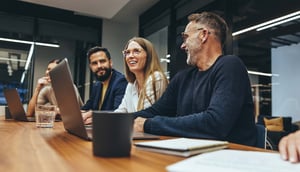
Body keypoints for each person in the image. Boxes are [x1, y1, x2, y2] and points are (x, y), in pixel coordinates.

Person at [133, 11, 257, 146]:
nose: (182, 45)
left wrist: (149, 125)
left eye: (186, 37)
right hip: (194, 153)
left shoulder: (230, 66)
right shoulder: (182, 78)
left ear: (203, 35)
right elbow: (154, 111)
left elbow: (215, 123)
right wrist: (118, 119)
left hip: (231, 159)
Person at [114, 37, 168, 113]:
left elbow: (145, 116)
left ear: (148, 56)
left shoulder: (156, 78)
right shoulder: (131, 85)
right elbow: (121, 111)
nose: (130, 56)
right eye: (127, 53)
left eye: (136, 51)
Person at [81, 46, 127, 124]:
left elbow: (118, 112)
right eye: (94, 63)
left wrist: (95, 117)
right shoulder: (97, 85)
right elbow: (87, 107)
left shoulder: (121, 81)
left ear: (110, 62)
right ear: (90, 67)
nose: (99, 66)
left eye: (102, 61)